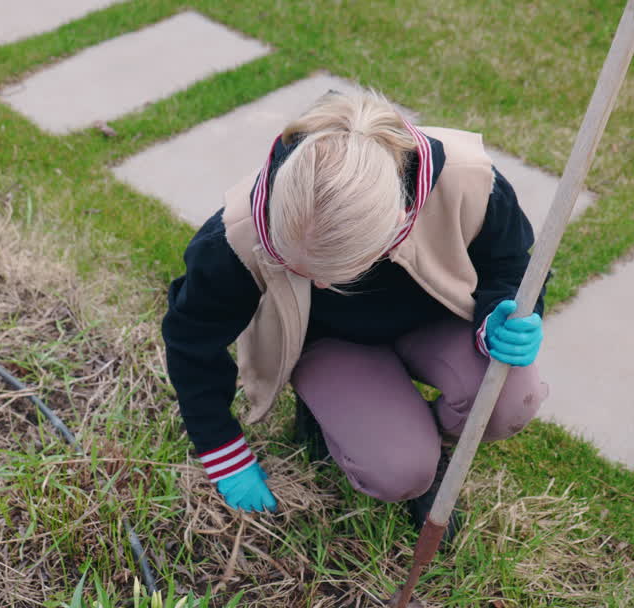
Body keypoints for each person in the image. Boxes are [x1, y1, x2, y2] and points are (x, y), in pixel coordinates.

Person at [162, 89, 549, 539]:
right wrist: (222, 450)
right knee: (399, 470)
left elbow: (510, 264)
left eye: (342, 272)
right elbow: (193, 340)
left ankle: (422, 437)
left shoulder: (471, 180)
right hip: (332, 344)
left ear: (399, 223)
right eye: (300, 270)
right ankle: (364, 427)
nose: (321, 286)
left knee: (511, 400)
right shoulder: (235, 236)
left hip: (437, 321)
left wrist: (503, 314)